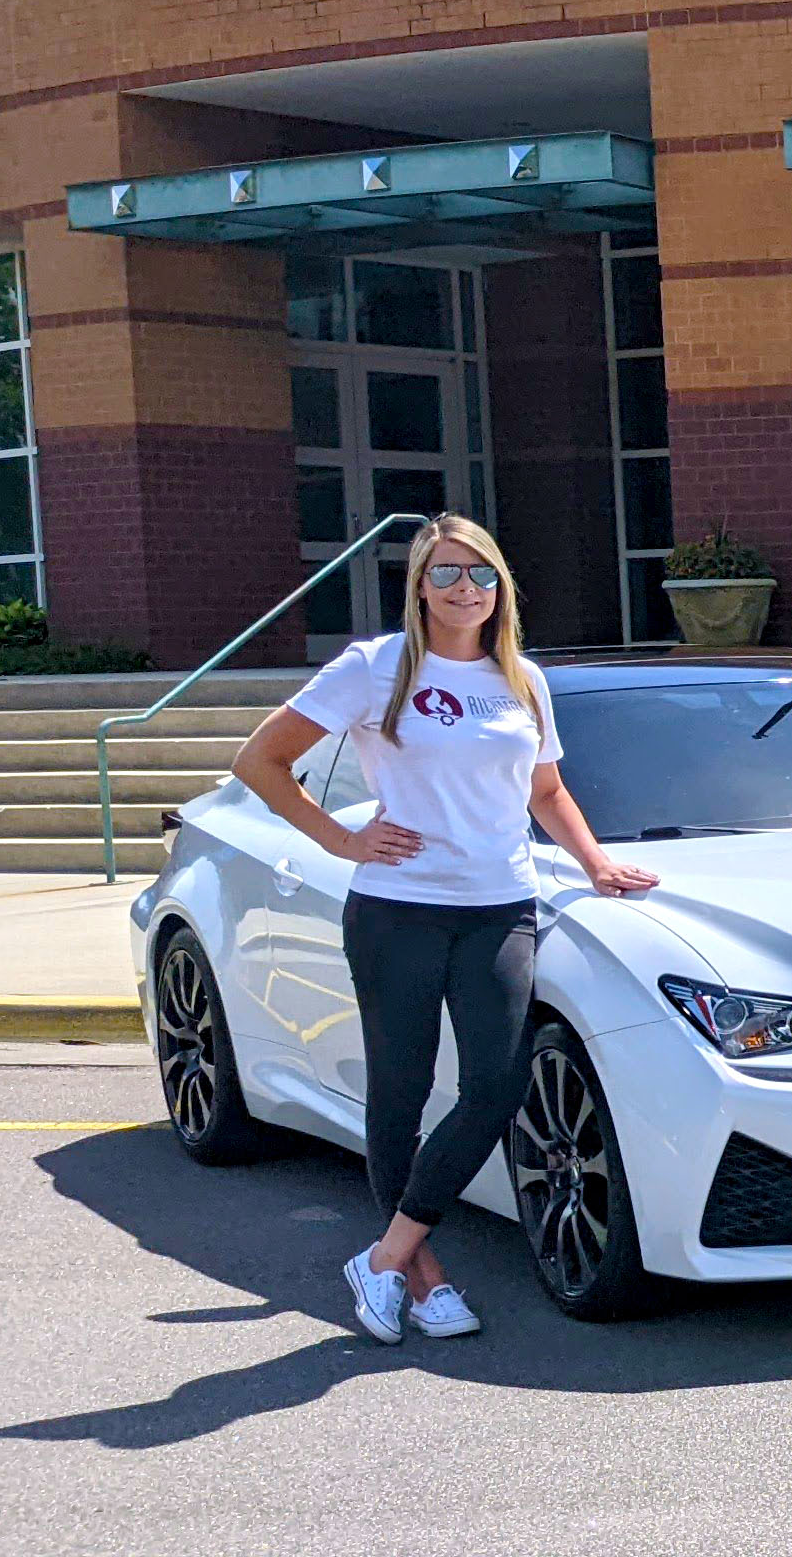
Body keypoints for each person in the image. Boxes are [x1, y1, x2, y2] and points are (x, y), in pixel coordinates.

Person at [226, 518, 656, 1338]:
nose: (468, 589)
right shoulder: (375, 667)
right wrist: (343, 841)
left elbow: (546, 791)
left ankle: (383, 1257)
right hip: (399, 909)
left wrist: (597, 863)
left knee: (494, 1089)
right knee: (402, 1091)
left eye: (483, 575)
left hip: (500, 905)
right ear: (420, 584)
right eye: (449, 573)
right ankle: (422, 1279)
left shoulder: (520, 677)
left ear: (502, 588)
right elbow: (260, 761)